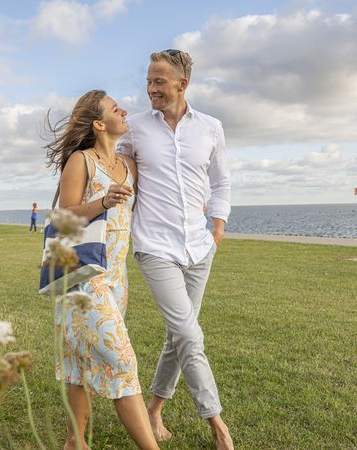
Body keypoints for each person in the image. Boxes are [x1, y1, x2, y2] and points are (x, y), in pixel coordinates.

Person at [117, 50, 234, 449]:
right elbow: (115, 170)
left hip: (200, 249)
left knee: (177, 336)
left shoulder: (211, 128)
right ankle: (217, 424)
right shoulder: (132, 128)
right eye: (148, 81)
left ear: (183, 84)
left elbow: (221, 183)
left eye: (159, 82)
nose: (150, 89)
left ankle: (154, 410)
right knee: (189, 333)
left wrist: (216, 228)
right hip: (154, 247)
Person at [45, 89, 159, 450]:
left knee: (79, 362)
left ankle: (75, 443)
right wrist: (102, 202)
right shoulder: (82, 161)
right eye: (114, 109)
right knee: (122, 360)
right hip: (83, 277)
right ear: (99, 123)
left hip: (116, 279)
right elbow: (64, 217)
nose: (124, 111)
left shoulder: (129, 165)